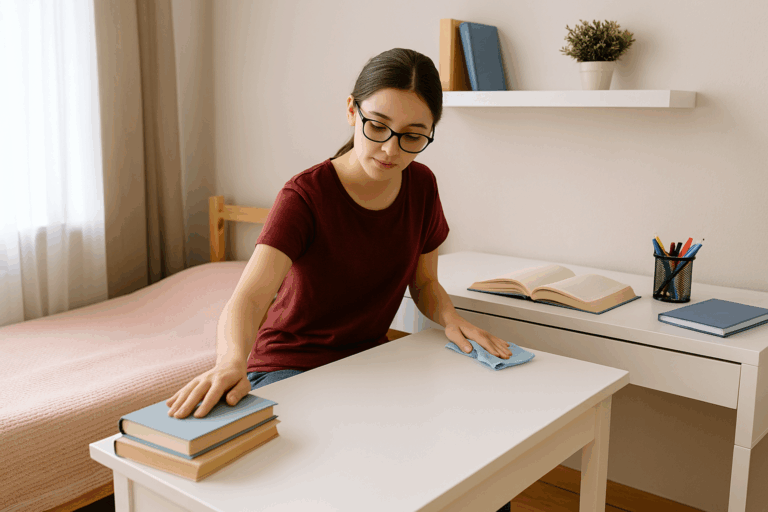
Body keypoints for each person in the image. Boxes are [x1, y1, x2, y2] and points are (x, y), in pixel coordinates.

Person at [166, 47, 513, 419]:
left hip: (367, 363)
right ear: (352, 110)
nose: (390, 149)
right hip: (290, 367)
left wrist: (451, 318)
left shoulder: (422, 186)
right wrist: (230, 361)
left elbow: (425, 283)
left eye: (412, 136)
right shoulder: (305, 197)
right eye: (377, 126)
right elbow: (250, 298)